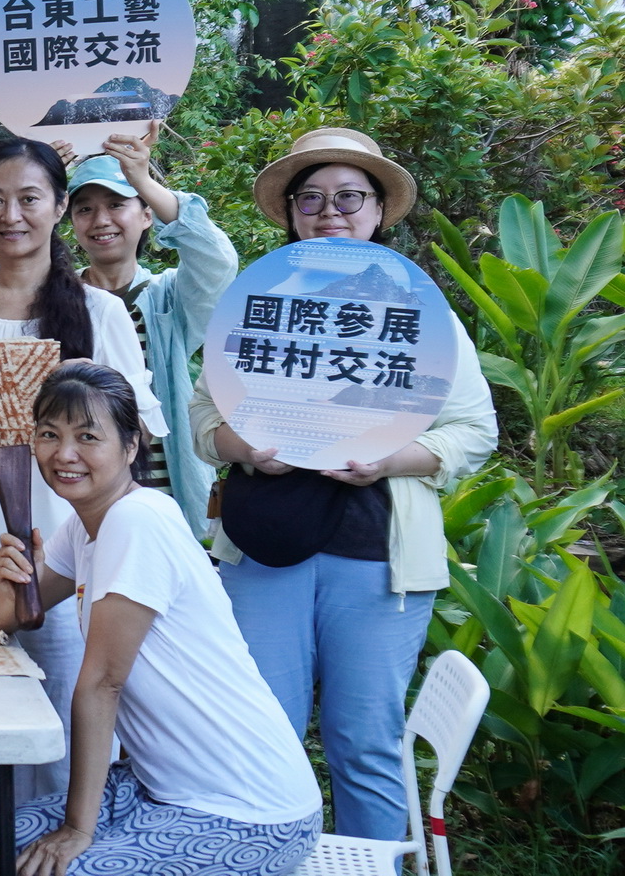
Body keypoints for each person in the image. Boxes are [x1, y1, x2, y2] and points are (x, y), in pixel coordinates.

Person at [189, 127, 497, 841]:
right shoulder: (257, 304)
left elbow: (473, 429)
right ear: (292, 212)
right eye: (313, 199)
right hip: (265, 548)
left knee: (365, 741)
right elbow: (206, 419)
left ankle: (376, 860)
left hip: (379, 559)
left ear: (379, 209)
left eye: (349, 198)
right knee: (264, 736)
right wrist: (251, 450)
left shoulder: (422, 312)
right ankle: (267, 857)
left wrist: (389, 458)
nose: (331, 213)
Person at [0, 138, 164, 802]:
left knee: (67, 725)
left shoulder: (99, 312)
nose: (11, 213)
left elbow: (144, 427)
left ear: (59, 207)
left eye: (29, 198)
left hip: (70, 563)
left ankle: (69, 844)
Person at [0, 363, 321, 876]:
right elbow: (5, 617)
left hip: (247, 810)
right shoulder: (85, 527)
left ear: (130, 445)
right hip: (156, 786)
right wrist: (8, 573)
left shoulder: (136, 519)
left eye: (87, 436)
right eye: (49, 434)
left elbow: (102, 684)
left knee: (53, 871)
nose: (64, 454)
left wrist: (79, 829)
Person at [57, 123, 238, 535]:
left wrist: (142, 178)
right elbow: (0, 279)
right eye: (84, 208)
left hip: (164, 495)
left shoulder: (169, 298)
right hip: (72, 496)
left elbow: (217, 262)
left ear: (146, 214)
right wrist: (43, 187)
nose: (100, 220)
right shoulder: (57, 298)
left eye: (118, 203)